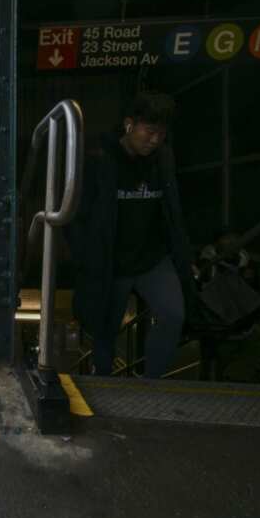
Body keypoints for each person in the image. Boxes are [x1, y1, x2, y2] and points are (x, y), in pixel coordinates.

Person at [68, 92, 193, 378]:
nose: (154, 140)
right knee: (105, 328)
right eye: (149, 132)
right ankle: (103, 383)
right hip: (113, 261)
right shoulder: (99, 159)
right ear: (129, 125)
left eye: (160, 134)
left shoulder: (163, 158)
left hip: (152, 259)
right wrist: (85, 253)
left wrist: (183, 251)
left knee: (173, 315)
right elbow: (78, 213)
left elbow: (173, 208)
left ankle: (150, 384)